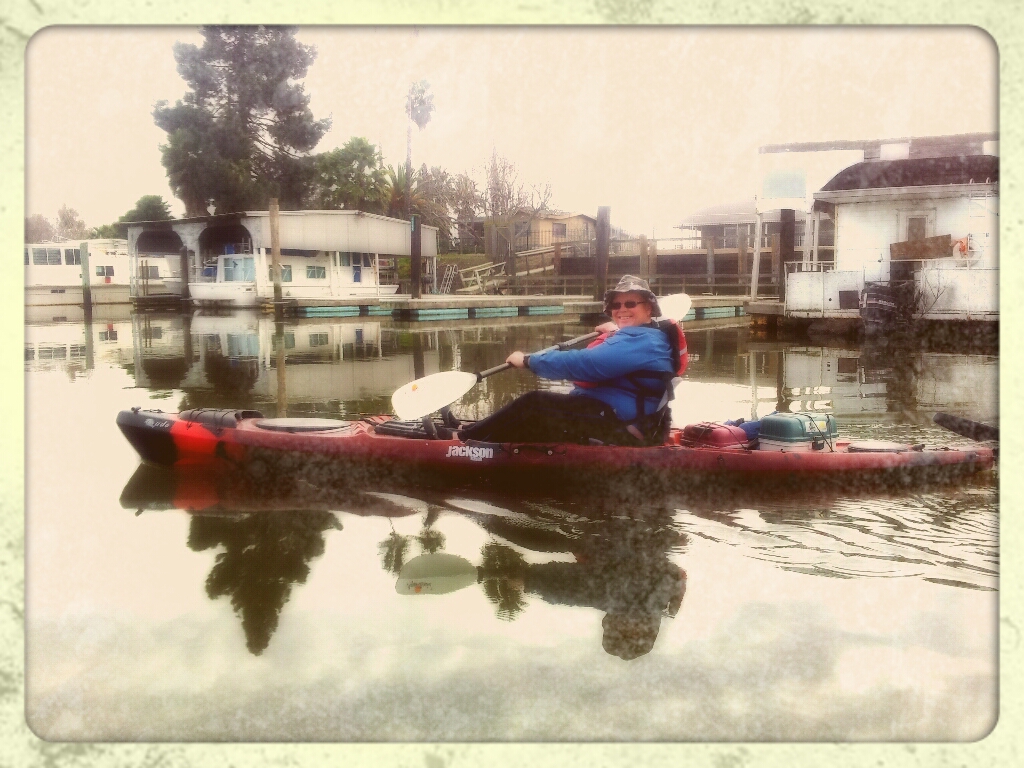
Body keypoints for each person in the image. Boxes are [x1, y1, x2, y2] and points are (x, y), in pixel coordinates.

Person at [456, 275, 680, 445]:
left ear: (649, 308)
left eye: (630, 304)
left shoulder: (644, 342)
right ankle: (475, 435)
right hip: (615, 415)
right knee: (532, 421)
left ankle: (462, 441)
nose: (622, 309)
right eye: (616, 305)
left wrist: (528, 360)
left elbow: (586, 364)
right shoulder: (646, 336)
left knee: (534, 402)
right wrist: (616, 331)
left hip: (620, 427)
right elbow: (623, 353)